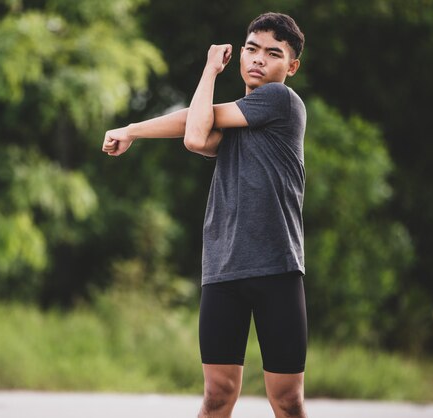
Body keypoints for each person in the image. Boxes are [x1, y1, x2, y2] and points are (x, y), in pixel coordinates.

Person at [102, 12, 307, 418]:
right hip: (224, 269)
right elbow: (197, 129)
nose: (258, 60)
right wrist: (131, 130)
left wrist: (212, 70)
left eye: (273, 53)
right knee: (217, 395)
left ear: (291, 66)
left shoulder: (281, 101)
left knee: (286, 399)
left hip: (276, 268)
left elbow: (195, 132)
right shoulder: (234, 122)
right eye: (251, 49)